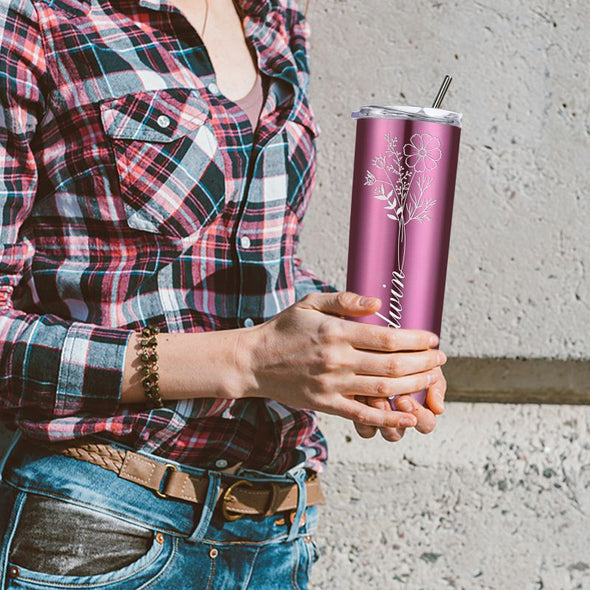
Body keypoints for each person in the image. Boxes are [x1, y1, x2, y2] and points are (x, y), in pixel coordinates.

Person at [0, 0, 448, 587]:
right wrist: (251, 360)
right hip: (106, 525)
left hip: (276, 530)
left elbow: (253, 260)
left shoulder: (276, 16)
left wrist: (359, 349)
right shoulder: (36, 16)